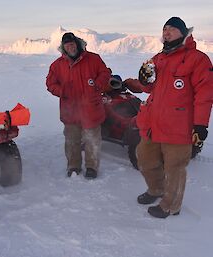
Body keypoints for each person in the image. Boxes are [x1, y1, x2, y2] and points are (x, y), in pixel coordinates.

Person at [124, 17, 213, 218]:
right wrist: (142, 80)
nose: (167, 32)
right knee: (145, 160)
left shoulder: (198, 59)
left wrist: (200, 125)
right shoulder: (158, 58)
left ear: (184, 33)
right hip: (153, 122)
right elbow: (148, 87)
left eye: (172, 29)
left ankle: (171, 205)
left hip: (178, 125)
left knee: (175, 168)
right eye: (164, 29)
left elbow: (205, 94)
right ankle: (156, 189)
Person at [46, 32, 111, 178]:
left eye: (73, 43)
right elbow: (50, 84)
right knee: (71, 141)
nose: (71, 46)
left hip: (91, 109)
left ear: (78, 43)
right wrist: (62, 91)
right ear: (63, 47)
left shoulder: (93, 59)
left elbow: (105, 73)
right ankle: (73, 166)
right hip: (70, 110)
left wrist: (97, 85)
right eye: (67, 44)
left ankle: (91, 167)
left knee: (92, 140)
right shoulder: (57, 65)